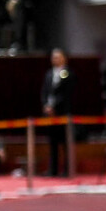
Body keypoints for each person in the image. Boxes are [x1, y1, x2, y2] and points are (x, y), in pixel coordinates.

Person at [41, 47, 76, 176]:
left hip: (63, 113)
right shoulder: (49, 74)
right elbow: (44, 91)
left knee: (65, 143)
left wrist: (55, 106)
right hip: (50, 115)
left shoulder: (69, 73)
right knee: (53, 142)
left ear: (64, 58)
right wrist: (46, 105)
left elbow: (66, 94)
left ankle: (67, 170)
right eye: (53, 57)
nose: (55, 59)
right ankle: (53, 169)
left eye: (57, 57)